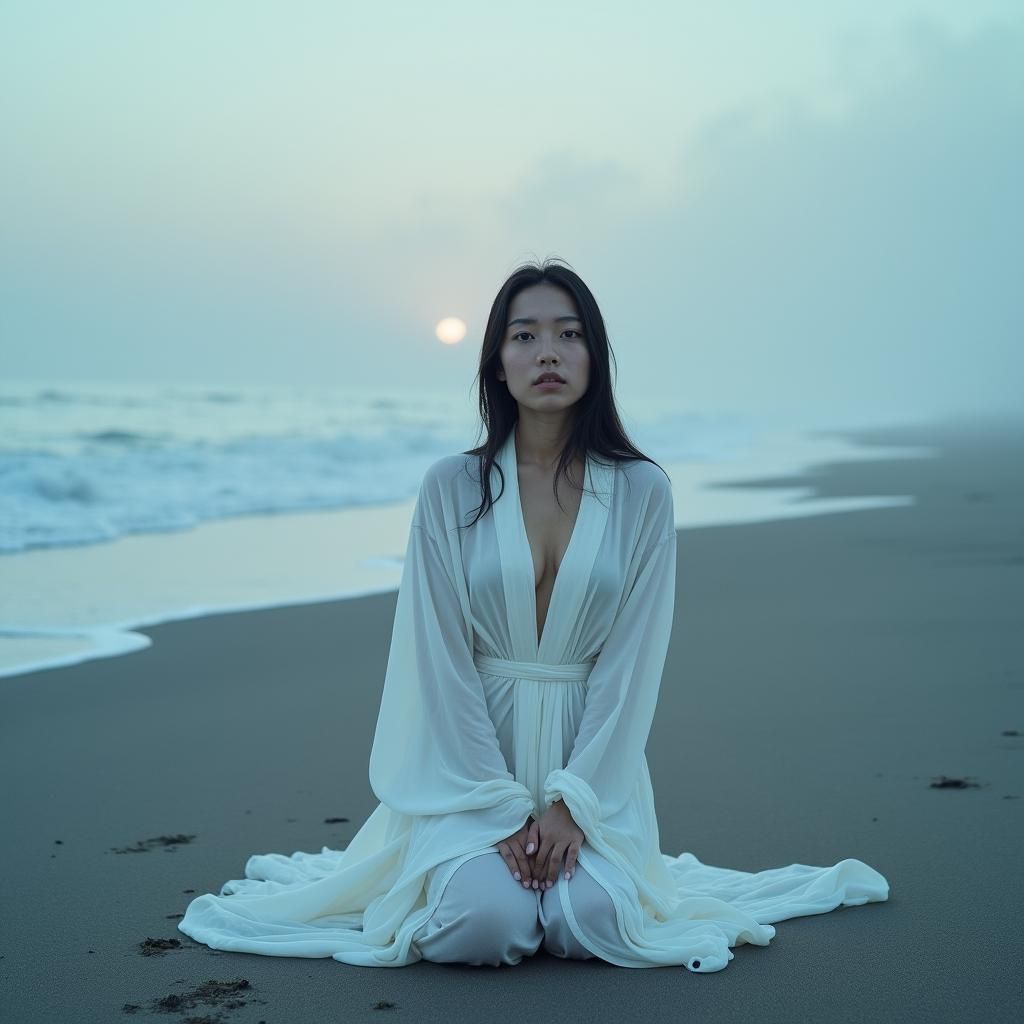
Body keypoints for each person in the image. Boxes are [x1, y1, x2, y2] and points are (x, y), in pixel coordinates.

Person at [178, 257, 889, 970]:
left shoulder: (643, 492)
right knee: (485, 925)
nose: (547, 352)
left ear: (594, 356)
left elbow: (631, 667)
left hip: (594, 767)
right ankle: (482, 873)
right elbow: (443, 664)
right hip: (466, 766)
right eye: (524, 336)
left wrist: (573, 803)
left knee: (595, 922)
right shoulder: (452, 488)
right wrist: (498, 808)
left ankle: (564, 873)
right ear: (497, 364)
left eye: (568, 334)